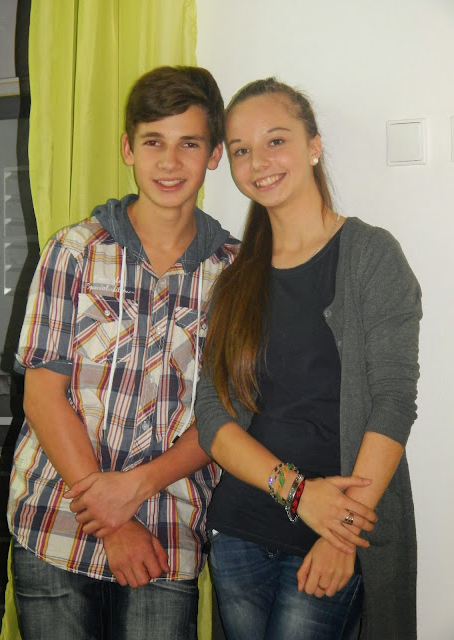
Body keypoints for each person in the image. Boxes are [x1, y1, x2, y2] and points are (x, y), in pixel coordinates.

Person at [7, 65, 240, 640]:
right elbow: (42, 395)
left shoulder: (237, 274)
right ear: (127, 149)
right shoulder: (74, 251)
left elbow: (226, 415)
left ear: (214, 154)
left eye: (189, 144)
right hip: (56, 524)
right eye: (153, 142)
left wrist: (134, 490)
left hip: (167, 536)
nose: (169, 162)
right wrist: (111, 522)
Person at [194, 78, 422, 640]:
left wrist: (342, 532)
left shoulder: (371, 255)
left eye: (276, 141)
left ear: (314, 145)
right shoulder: (235, 281)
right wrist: (297, 493)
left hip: (331, 539)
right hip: (240, 535)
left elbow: (393, 402)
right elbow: (213, 417)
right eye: (242, 150)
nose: (258, 162)